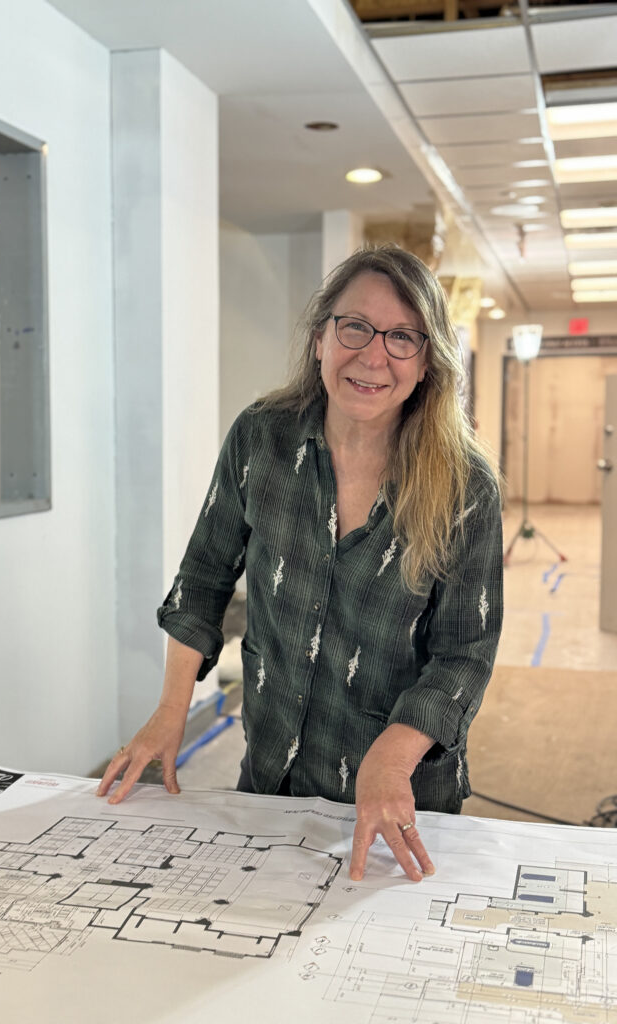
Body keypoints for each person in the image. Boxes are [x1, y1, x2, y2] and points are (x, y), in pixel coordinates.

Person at [98, 244, 503, 883]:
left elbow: (465, 654)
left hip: (399, 799)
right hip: (270, 779)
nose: (374, 356)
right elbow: (203, 577)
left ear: (428, 362)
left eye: (403, 337)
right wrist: (172, 708)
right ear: (320, 338)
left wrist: (392, 759)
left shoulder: (465, 484)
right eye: (355, 327)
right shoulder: (261, 437)